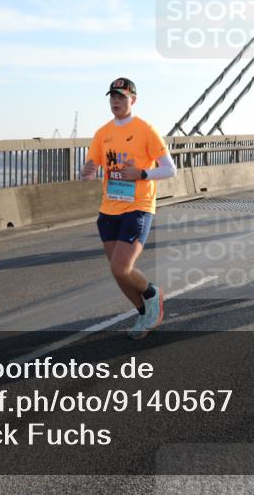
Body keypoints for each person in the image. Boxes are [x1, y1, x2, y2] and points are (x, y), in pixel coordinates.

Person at [80, 77, 176, 340]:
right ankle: (144, 311)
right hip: (109, 209)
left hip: (138, 207)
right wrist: (87, 171)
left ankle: (152, 294)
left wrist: (142, 173)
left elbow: (170, 169)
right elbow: (92, 166)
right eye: (112, 96)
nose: (116, 101)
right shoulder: (102, 133)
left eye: (121, 97)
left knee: (122, 267)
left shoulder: (145, 129)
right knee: (117, 272)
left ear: (133, 100)